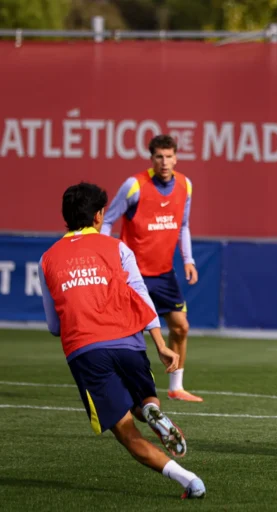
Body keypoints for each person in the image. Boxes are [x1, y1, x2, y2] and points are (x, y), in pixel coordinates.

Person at [39, 182, 206, 499]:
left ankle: (190, 481)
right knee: (144, 399)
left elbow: (53, 325)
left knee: (127, 434)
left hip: (87, 350)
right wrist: (160, 344)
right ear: (100, 215)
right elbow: (141, 296)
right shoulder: (118, 248)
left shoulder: (47, 259)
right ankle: (153, 411)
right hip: (129, 342)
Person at [101, 134, 202, 402]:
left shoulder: (185, 185)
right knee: (127, 333)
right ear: (152, 158)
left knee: (180, 327)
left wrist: (188, 260)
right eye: (159, 156)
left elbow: (183, 226)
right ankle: (118, 385)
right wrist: (109, 257)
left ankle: (176, 386)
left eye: (169, 156)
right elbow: (108, 221)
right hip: (134, 274)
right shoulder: (134, 186)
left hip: (164, 273)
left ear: (176, 157)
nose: (165, 162)